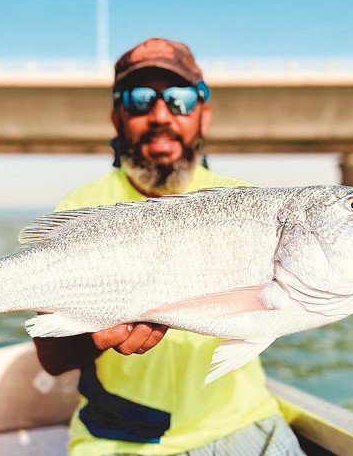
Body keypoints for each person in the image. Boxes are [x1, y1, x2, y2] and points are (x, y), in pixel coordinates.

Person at [34, 37, 304, 455]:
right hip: (120, 438)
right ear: (117, 116)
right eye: (140, 99)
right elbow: (51, 357)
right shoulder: (81, 208)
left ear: (204, 115)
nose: (161, 115)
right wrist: (97, 336)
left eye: (179, 98)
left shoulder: (253, 204)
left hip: (244, 421)